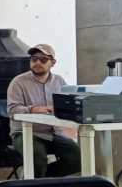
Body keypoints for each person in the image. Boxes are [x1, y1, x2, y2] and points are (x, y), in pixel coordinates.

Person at [6, 43, 80, 177]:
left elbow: (67, 105)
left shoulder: (59, 81)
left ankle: (39, 179)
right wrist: (34, 109)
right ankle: (35, 186)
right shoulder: (18, 82)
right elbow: (12, 110)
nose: (38, 62)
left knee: (78, 157)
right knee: (38, 158)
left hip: (54, 133)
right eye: (34, 59)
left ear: (53, 62)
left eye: (43, 59)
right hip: (25, 133)